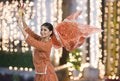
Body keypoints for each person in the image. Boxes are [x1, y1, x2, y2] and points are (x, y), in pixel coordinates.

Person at [18, 6, 58, 81]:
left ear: (50, 32)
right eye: (41, 29)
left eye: (45, 30)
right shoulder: (41, 39)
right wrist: (23, 20)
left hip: (46, 72)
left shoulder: (47, 44)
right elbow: (31, 33)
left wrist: (20, 27)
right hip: (40, 71)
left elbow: (32, 42)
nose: (42, 32)